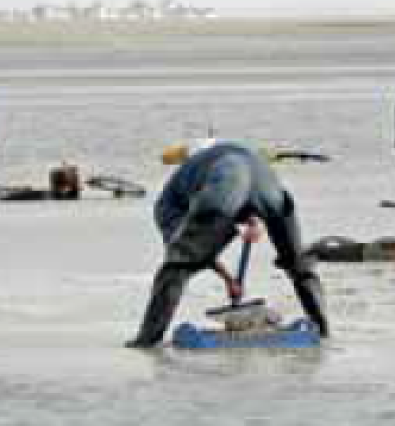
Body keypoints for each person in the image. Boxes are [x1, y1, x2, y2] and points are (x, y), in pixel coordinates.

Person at [126, 140, 329, 348]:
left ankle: (148, 339)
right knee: (298, 264)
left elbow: (194, 252)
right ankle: (323, 330)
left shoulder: (167, 203)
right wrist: (231, 276)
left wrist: (227, 277)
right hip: (268, 183)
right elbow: (245, 196)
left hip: (226, 183)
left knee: (176, 268)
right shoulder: (216, 159)